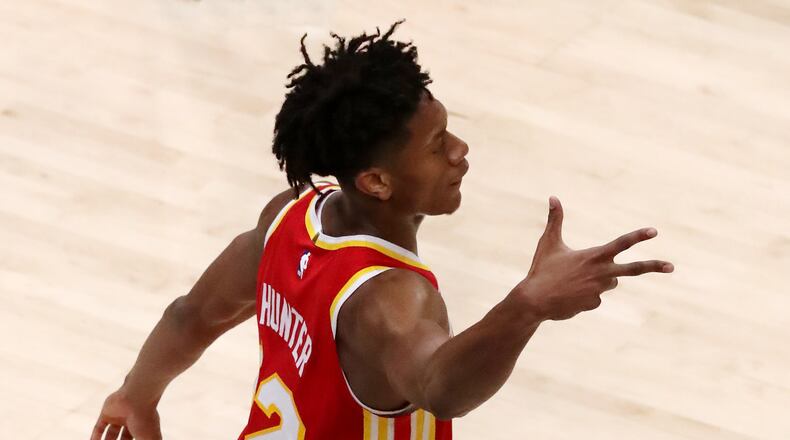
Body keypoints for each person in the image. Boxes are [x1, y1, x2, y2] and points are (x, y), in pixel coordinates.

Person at [91, 21, 674, 440]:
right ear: (376, 180)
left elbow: (192, 315)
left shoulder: (290, 217)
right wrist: (528, 305)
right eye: (436, 144)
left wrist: (134, 396)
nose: (460, 151)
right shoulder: (390, 297)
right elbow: (439, 388)